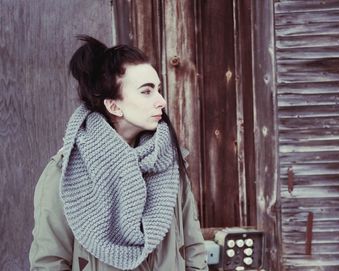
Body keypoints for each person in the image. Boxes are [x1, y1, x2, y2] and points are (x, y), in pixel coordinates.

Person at [29, 35, 209, 271]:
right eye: (147, 92)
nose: (162, 101)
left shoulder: (168, 162)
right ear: (114, 105)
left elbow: (193, 250)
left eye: (158, 89)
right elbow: (48, 263)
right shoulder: (66, 172)